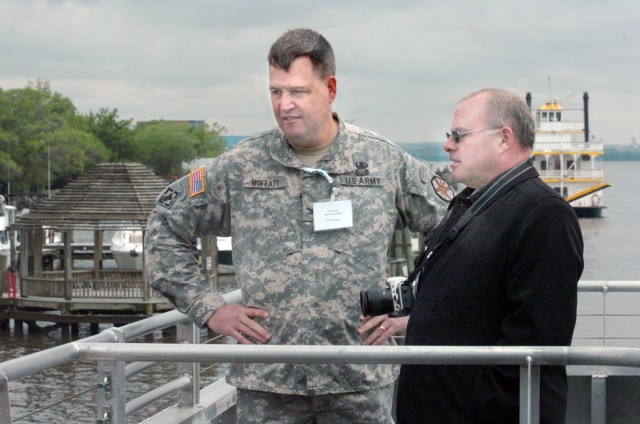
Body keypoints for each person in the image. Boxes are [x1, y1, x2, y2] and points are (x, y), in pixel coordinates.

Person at [145, 28, 449, 423]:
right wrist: (209, 308)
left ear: (331, 88)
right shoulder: (241, 166)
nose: (285, 105)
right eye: (276, 92)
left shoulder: (383, 162)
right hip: (269, 382)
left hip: (358, 380)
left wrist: (418, 311)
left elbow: (457, 234)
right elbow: (164, 227)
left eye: (299, 92)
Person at [395, 88, 584, 424]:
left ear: (503, 138)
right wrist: (413, 322)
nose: (448, 145)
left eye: (459, 135)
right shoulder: (476, 203)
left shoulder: (544, 215)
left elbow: (533, 343)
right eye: (448, 135)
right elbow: (474, 306)